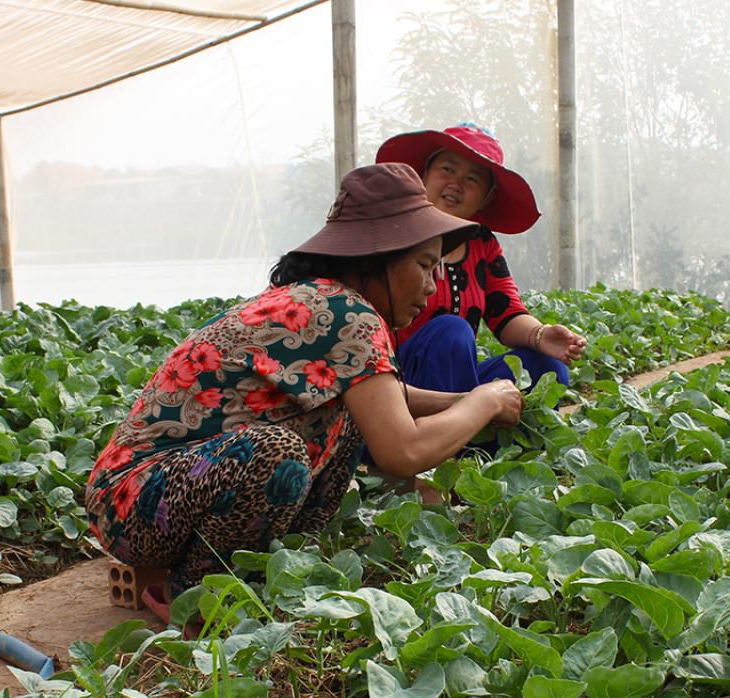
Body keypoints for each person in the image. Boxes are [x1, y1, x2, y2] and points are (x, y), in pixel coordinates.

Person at [85, 163, 525, 620]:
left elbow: (384, 397)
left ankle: (274, 562)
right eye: (424, 266)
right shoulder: (349, 312)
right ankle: (191, 595)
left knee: (348, 415)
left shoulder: (328, 299)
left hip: (160, 494)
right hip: (133, 502)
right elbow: (404, 451)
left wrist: (460, 402)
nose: (432, 285)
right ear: (380, 257)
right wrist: (484, 400)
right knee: (275, 452)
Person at [375, 123, 587, 397]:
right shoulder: (393, 234)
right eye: (448, 169)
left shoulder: (482, 243)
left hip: (457, 390)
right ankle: (445, 432)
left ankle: (469, 427)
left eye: (472, 179)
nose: (456, 184)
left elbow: (506, 312)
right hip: (393, 386)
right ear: (424, 176)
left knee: (546, 368)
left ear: (486, 198)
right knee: (451, 331)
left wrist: (540, 335)